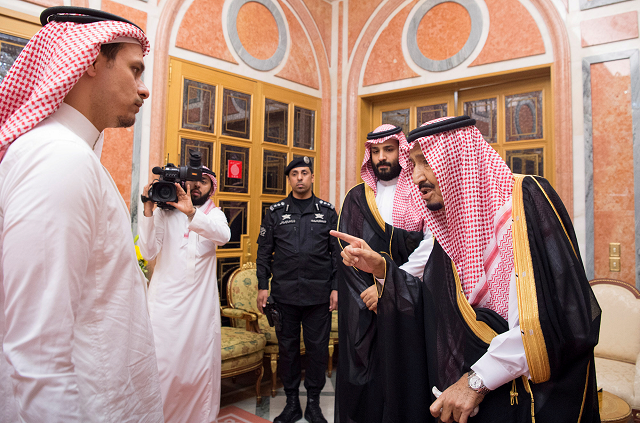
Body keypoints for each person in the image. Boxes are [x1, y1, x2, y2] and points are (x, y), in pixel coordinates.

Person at [332, 116, 601, 423]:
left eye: (426, 162)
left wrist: (476, 381)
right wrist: (383, 270)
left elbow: (552, 317)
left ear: (457, 160)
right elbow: (432, 304)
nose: (417, 176)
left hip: (530, 401)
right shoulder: (452, 232)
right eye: (414, 164)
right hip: (470, 402)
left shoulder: (524, 203)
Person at [0, 7, 164, 422]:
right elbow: (37, 356)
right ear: (90, 60)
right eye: (135, 70)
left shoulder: (74, 153)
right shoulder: (57, 157)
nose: (144, 90)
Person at [335, 124, 433, 423]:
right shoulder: (357, 196)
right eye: (375, 151)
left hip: (412, 295)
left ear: (400, 151)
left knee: (406, 370)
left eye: (388, 149)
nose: (382, 158)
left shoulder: (422, 190)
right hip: (363, 300)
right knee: (365, 375)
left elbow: (432, 246)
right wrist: (369, 294)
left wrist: (389, 285)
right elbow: (347, 252)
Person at [138, 164, 230, 423]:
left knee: (197, 370)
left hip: (199, 309)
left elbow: (223, 236)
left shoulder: (215, 214)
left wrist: (192, 214)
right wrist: (148, 210)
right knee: (162, 367)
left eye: (204, 182)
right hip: (165, 306)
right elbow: (147, 252)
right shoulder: (165, 214)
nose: (198, 185)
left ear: (211, 187)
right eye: (194, 181)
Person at [256, 156, 339, 423]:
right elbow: (263, 252)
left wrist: (336, 288)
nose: (300, 178)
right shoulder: (275, 212)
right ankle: (292, 403)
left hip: (318, 296)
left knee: (317, 351)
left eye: (305, 173)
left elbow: (337, 255)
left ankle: (313, 403)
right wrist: (261, 286)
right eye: (295, 174)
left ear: (312, 177)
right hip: (284, 296)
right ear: (289, 179)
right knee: (288, 351)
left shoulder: (327, 212)